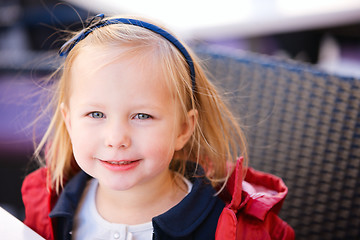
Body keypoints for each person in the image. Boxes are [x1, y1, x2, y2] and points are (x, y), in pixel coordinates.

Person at [21, 14, 295, 240]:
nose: (116, 139)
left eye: (142, 116)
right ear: (69, 122)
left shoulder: (231, 229)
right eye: (95, 114)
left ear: (183, 129)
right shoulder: (50, 207)